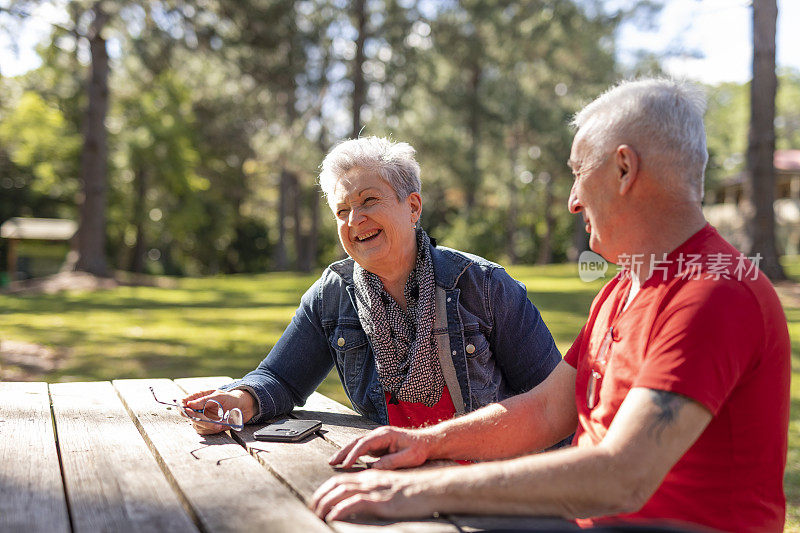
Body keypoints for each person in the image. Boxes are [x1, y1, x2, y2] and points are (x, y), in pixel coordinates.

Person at [310, 79, 790, 532]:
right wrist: (427, 443)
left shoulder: (714, 293)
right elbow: (544, 411)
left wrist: (420, 488)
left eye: (579, 172)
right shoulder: (623, 289)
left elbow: (621, 476)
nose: (572, 200)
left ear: (625, 169)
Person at [182, 136, 563, 436]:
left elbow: (558, 402)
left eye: (368, 201)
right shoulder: (333, 295)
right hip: (395, 480)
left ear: (413, 207)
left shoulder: (484, 286)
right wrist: (236, 401)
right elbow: (281, 378)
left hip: (489, 481)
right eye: (342, 211)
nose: (354, 220)